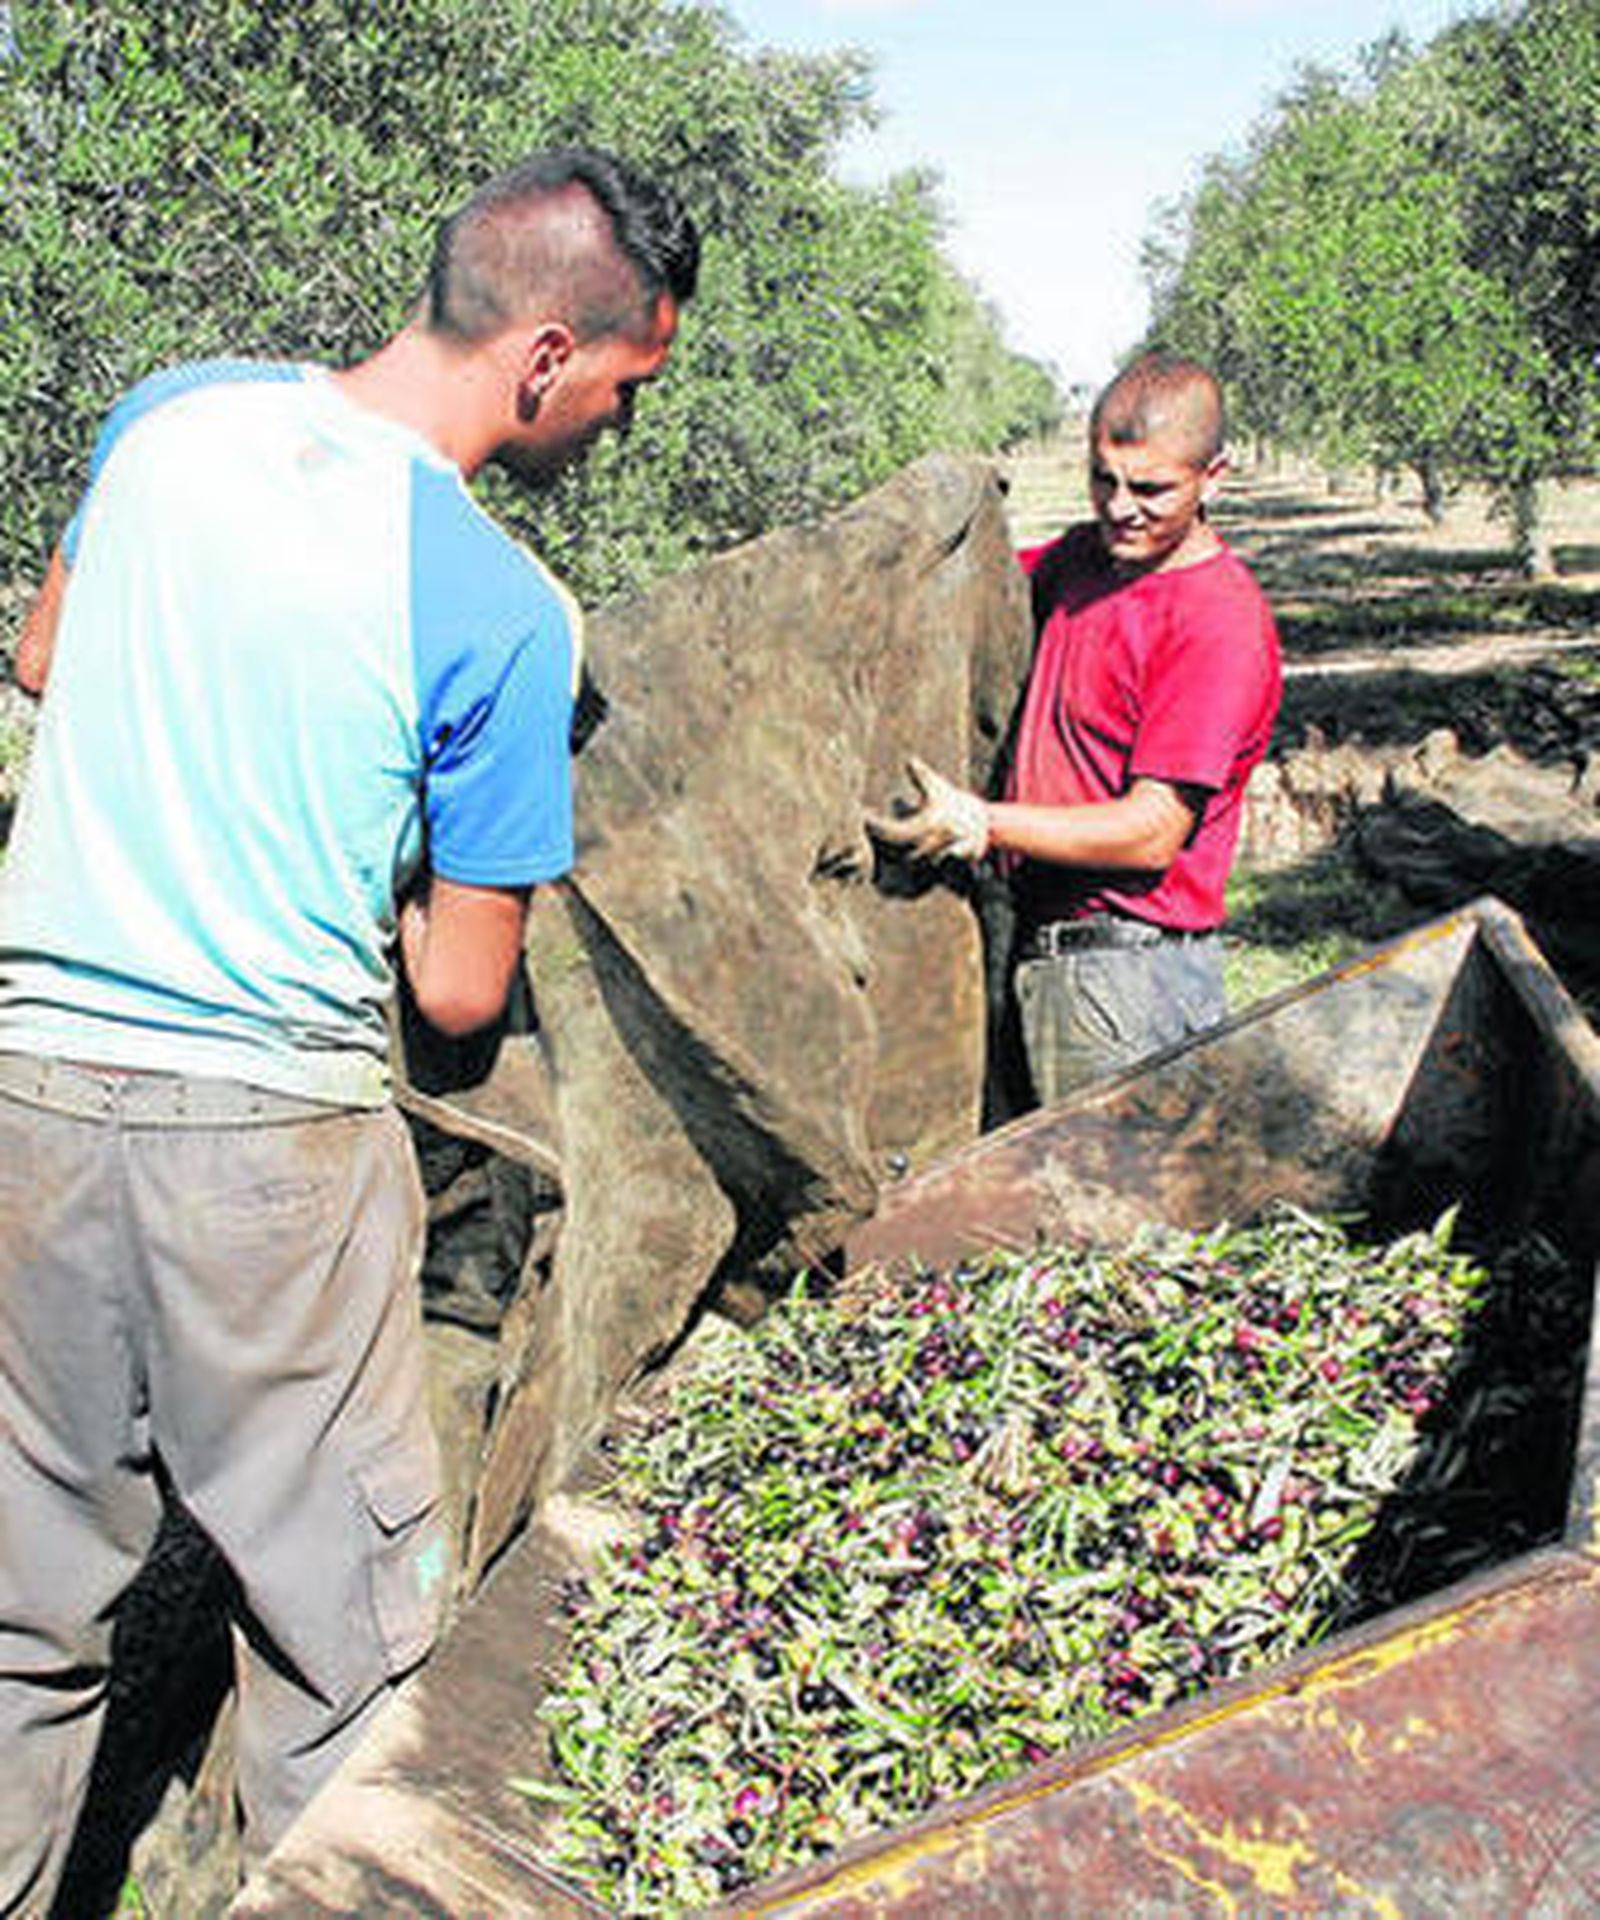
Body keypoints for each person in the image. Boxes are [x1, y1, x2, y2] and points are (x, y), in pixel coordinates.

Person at [0, 146, 698, 1912]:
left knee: (16, 1614)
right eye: (628, 384)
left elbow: (42, 664)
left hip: (25, 1103)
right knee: (340, 1642)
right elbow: (463, 988)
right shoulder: (498, 610)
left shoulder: (170, 419)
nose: (622, 423)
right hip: (268, 1153)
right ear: (545, 355)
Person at [871, 351, 1282, 1109]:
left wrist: (982, 821)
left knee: (1108, 1218)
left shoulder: (1216, 622)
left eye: (1151, 489)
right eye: (1104, 479)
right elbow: (982, 595)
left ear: (1213, 477)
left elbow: (1153, 830)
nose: (1120, 507)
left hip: (1127, 980)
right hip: (1039, 951)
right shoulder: (1083, 562)